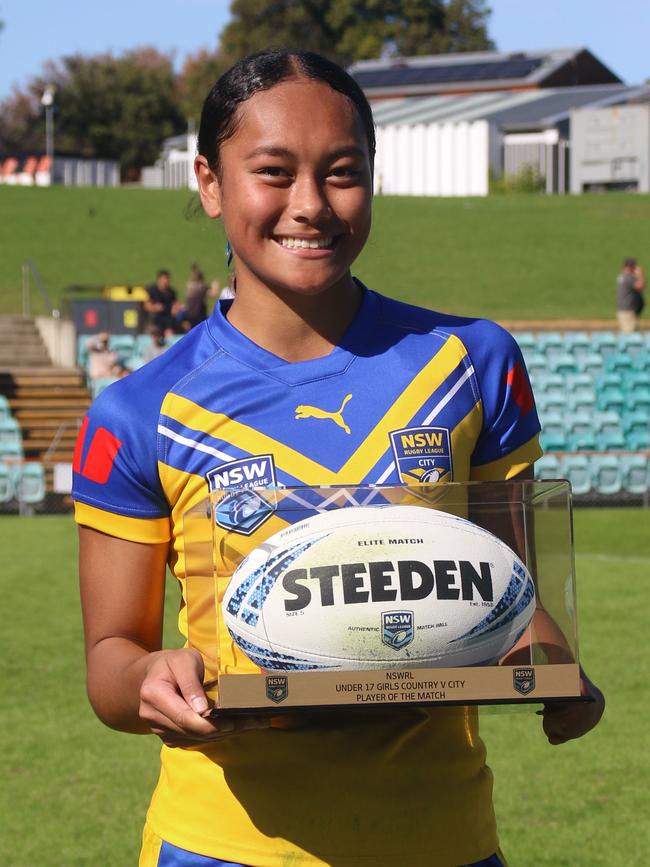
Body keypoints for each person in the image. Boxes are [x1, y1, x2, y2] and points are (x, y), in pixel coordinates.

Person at [72, 50, 604, 867]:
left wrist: (551, 667)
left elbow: (508, 596)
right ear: (210, 183)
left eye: (342, 172)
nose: (311, 205)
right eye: (274, 172)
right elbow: (111, 658)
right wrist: (151, 679)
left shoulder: (472, 363)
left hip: (443, 840)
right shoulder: (140, 411)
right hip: (224, 846)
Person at [144, 269, 179, 335]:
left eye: (167, 279)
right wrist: (154, 307)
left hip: (168, 317)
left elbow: (175, 304)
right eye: (164, 279)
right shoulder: (152, 290)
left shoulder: (171, 292)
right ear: (159, 280)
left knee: (170, 331)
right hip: (155, 317)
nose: (166, 281)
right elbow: (146, 305)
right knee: (156, 330)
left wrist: (176, 309)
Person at [616, 257, 645, 332]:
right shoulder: (628, 277)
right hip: (628, 311)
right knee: (630, 336)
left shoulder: (622, 276)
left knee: (633, 335)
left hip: (626, 311)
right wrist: (640, 275)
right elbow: (640, 287)